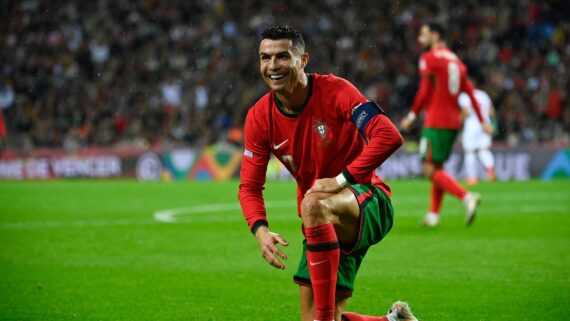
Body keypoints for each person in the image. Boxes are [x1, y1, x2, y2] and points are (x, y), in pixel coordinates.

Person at [238, 26, 419, 321]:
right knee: (320, 316)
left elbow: (388, 135)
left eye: (282, 56)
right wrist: (260, 230)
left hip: (368, 200)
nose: (272, 66)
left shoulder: (337, 91)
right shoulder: (259, 117)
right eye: (265, 57)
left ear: (303, 60)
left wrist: (340, 181)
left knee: (313, 203)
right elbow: (249, 186)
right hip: (320, 222)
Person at [400, 22, 493, 228]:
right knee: (438, 167)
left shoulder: (428, 59)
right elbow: (469, 92)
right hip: (453, 123)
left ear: (435, 35)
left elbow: (424, 92)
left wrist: (412, 116)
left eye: (423, 35)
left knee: (428, 170)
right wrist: (483, 121)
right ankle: (433, 215)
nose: (420, 39)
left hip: (435, 120)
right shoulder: (456, 61)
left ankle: (467, 197)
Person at [458, 82, 496, 185]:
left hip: (472, 126)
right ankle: (490, 169)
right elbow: (491, 112)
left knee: (470, 151)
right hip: (485, 124)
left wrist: (459, 120)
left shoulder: (464, 96)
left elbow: (467, 111)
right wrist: (493, 124)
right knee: (483, 150)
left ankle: (472, 177)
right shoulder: (483, 94)